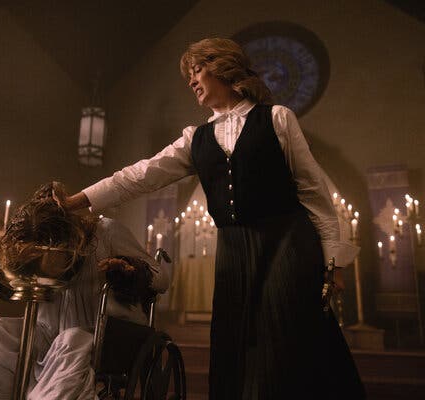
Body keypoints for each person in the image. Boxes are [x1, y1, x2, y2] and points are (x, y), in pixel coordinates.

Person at [65, 38, 365, 399]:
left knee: (285, 343)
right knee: (236, 347)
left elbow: (314, 193)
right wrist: (77, 202)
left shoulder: (277, 118)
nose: (191, 80)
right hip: (234, 253)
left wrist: (335, 263)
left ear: (222, 66)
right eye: (188, 75)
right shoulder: (196, 139)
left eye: (197, 70)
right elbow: (137, 176)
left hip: (287, 243)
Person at [0, 182, 168, 400]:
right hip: (47, 331)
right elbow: (28, 284)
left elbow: (162, 279)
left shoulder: (108, 231)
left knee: (69, 341)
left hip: (99, 331)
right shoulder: (41, 238)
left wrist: (128, 270)